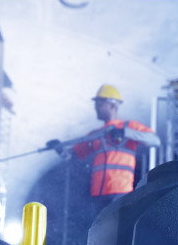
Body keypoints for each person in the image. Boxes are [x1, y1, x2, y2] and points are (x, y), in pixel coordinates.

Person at [48, 84, 161, 221]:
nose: (96, 108)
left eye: (99, 104)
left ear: (112, 105)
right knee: (101, 232)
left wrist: (125, 132)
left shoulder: (128, 126)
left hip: (120, 192)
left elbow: (154, 140)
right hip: (98, 195)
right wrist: (59, 148)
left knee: (116, 230)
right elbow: (71, 155)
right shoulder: (96, 134)